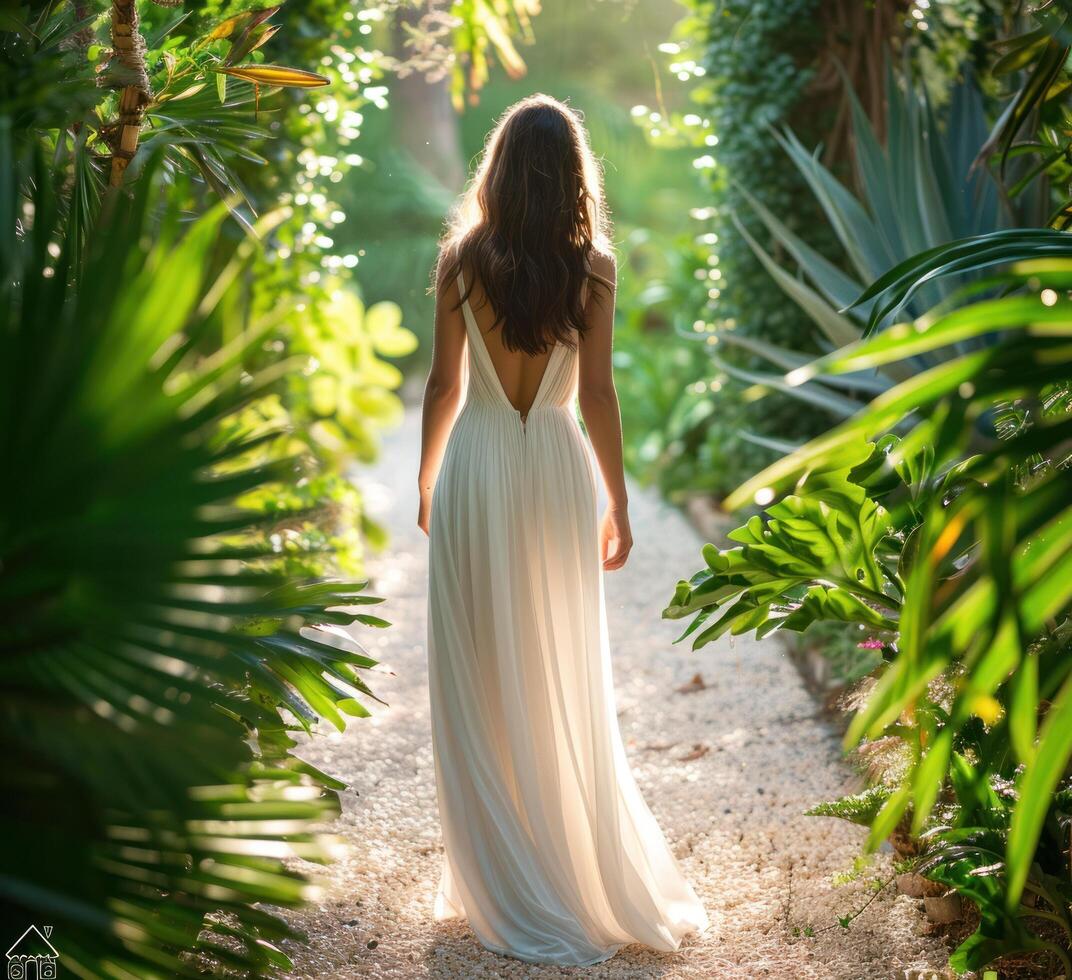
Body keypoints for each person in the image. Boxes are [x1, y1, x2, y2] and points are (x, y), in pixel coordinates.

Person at [417, 93, 710, 966]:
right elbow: (597, 397)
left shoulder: (461, 261)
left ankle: (500, 872)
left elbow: (441, 387)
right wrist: (617, 501)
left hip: (475, 463)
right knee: (556, 661)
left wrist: (429, 479)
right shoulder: (595, 269)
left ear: (499, 172)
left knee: (476, 667)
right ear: (574, 175)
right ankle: (562, 862)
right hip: (552, 467)